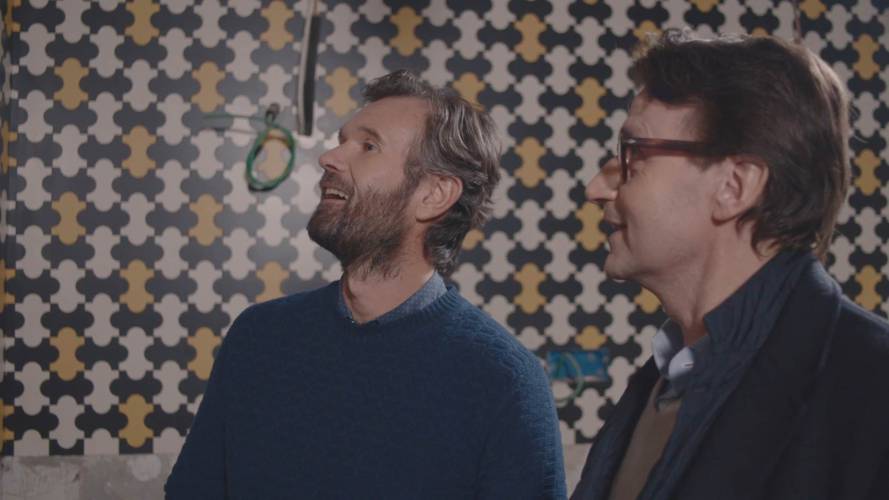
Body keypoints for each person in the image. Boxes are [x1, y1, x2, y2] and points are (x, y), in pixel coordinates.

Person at [165, 70, 566, 499]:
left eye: (368, 146)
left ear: (434, 194)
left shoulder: (505, 382)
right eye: (342, 141)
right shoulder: (257, 336)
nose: (329, 157)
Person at [572, 30, 889, 500]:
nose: (596, 188)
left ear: (734, 186)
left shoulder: (874, 386)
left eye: (633, 155)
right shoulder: (665, 379)